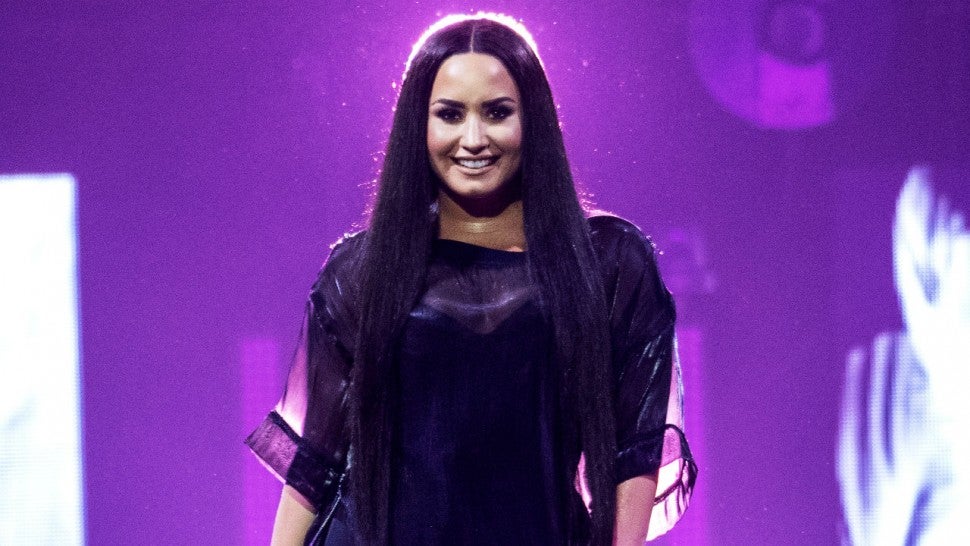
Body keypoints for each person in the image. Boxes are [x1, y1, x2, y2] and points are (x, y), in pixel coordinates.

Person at [246, 13, 696, 546]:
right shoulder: (361, 272)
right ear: (419, 126)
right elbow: (315, 464)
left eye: (497, 112)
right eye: (450, 115)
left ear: (534, 119)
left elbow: (635, 449)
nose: (474, 138)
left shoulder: (608, 263)